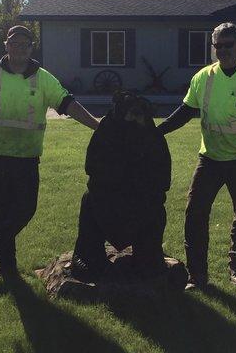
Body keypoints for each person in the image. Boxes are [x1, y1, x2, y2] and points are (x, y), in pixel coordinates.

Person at [0, 25, 100, 280]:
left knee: (26, 209)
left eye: (24, 44)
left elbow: (67, 103)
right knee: (2, 215)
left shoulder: (42, 77)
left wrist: (97, 125)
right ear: (6, 45)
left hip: (26, 158)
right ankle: (7, 269)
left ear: (31, 48)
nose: (19, 48)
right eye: (14, 43)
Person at [157, 22, 236, 289]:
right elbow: (186, 110)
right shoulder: (203, 77)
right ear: (213, 47)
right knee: (195, 214)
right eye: (218, 46)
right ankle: (197, 275)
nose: (222, 50)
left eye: (228, 45)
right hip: (210, 158)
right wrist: (158, 131)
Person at [71, 92, 172, 282]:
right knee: (89, 202)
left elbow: (162, 178)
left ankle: (147, 258)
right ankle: (87, 257)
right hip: (107, 201)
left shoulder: (152, 138)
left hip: (142, 203)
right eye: (131, 115)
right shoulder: (107, 132)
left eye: (139, 116)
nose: (135, 120)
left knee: (156, 213)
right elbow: (93, 169)